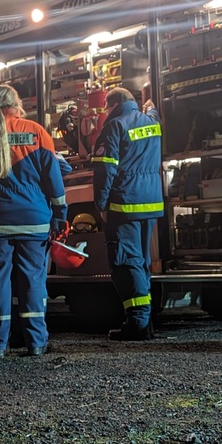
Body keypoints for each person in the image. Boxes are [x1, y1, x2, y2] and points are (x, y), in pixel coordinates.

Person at [0, 85, 67, 357]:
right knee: (32, 280)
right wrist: (60, 213)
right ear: (17, 103)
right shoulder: (36, 131)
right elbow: (53, 181)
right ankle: (36, 342)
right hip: (33, 220)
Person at [91, 87, 164, 341]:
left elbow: (104, 172)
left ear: (112, 106)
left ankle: (137, 321)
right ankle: (145, 320)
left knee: (126, 261)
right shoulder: (152, 123)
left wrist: (100, 205)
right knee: (142, 261)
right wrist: (150, 106)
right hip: (151, 203)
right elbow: (154, 113)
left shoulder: (114, 127)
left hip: (125, 205)